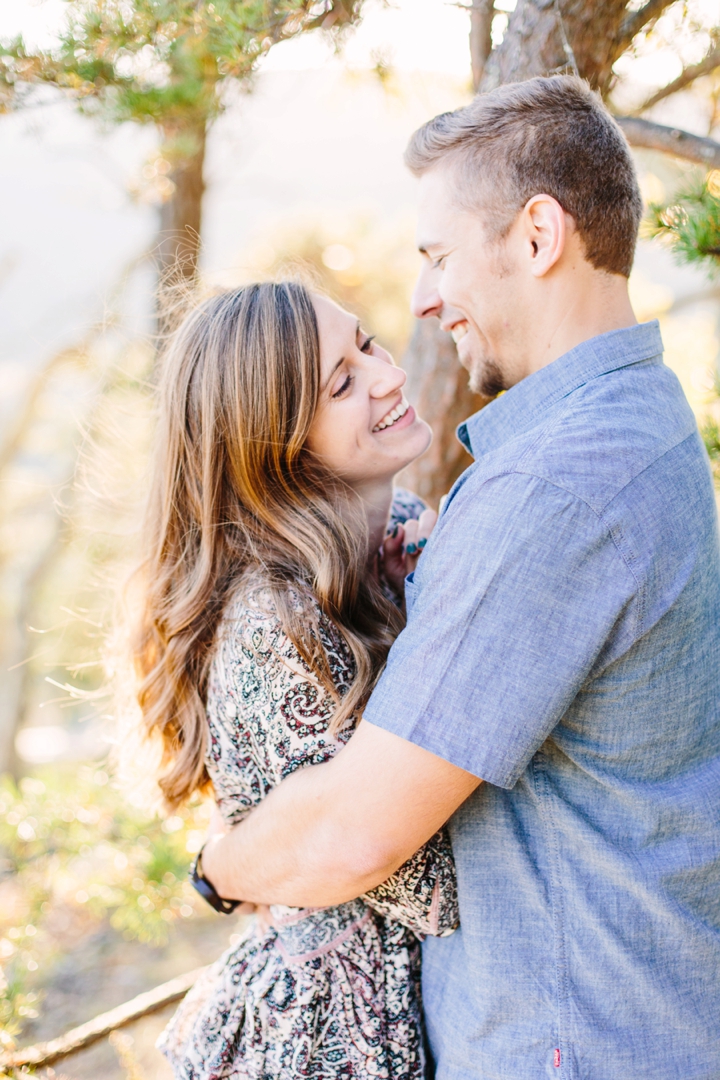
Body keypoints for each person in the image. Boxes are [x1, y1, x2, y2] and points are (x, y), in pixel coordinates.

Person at [198, 76, 720, 1079]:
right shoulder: (632, 422)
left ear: (536, 237)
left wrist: (219, 866)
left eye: (438, 256)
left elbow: (354, 834)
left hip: (576, 1044)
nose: (427, 300)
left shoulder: (554, 489)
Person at [130, 281, 459, 1079]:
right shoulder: (276, 618)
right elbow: (426, 879)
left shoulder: (404, 530)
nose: (385, 377)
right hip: (317, 1046)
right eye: (341, 384)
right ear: (275, 445)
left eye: (367, 345)